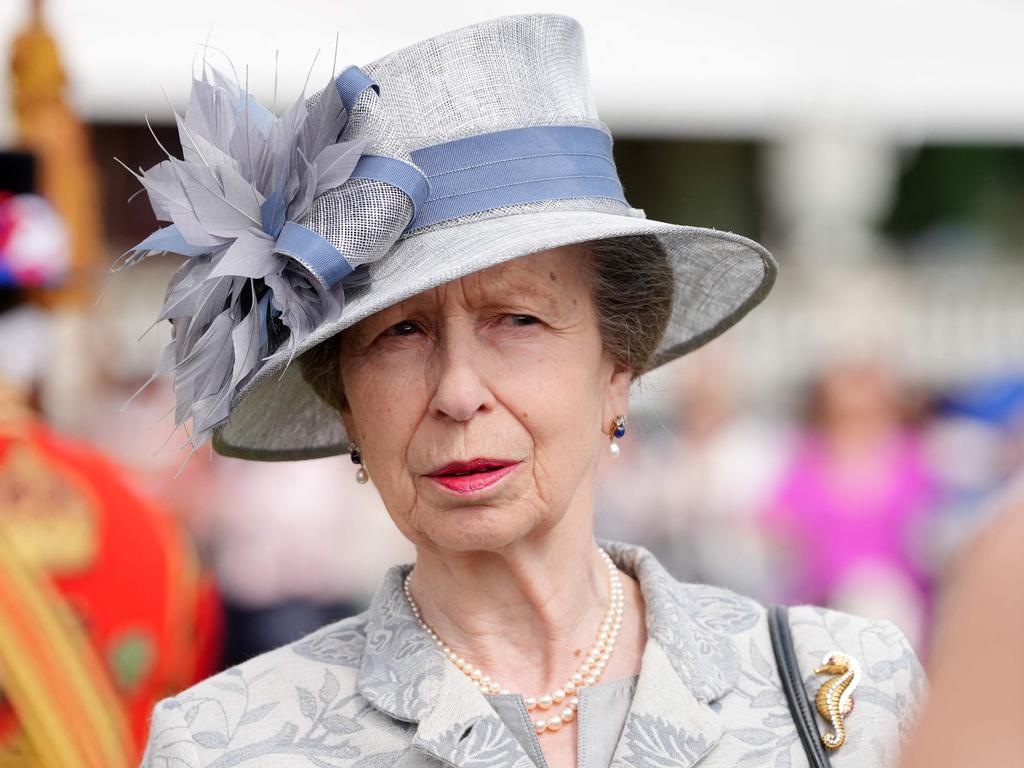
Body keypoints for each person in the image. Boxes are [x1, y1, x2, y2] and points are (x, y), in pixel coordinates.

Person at [132, 15, 924, 768]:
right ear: (345, 401)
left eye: (517, 319)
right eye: (399, 334)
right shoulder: (225, 745)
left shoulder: (847, 699)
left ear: (620, 366)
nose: (458, 392)